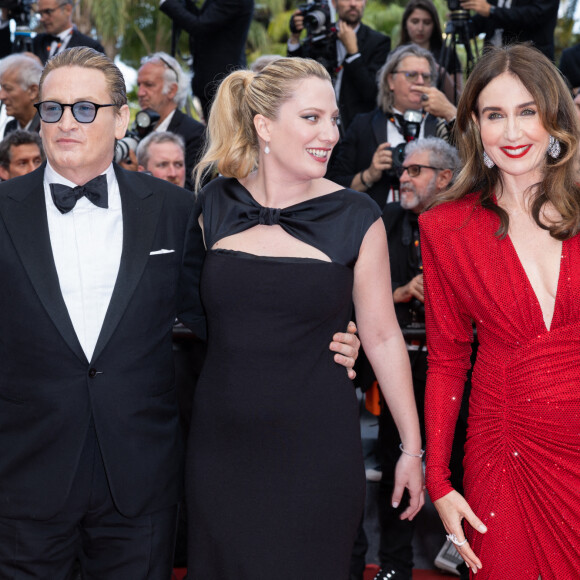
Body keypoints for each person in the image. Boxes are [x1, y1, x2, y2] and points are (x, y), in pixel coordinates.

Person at [0, 45, 361, 579]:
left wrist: (321, 338)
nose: (65, 123)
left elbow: (224, 314)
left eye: (84, 109)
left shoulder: (177, 211)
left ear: (121, 118)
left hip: (141, 480)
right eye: (52, 109)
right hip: (25, 477)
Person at [186, 56, 425, 579]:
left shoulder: (357, 215)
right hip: (221, 447)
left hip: (317, 447)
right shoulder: (213, 205)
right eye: (312, 118)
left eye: (335, 119)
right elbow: (188, 319)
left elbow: (384, 336)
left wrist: (411, 448)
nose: (332, 134)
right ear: (264, 125)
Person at [419, 44, 580, 579]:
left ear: (554, 117)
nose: (512, 132)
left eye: (527, 111)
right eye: (495, 114)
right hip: (502, 450)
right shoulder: (447, 229)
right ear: (474, 126)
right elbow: (446, 356)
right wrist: (438, 480)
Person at [370, 137, 459, 580]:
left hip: (463, 371)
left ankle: (471, 559)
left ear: (445, 177)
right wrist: (402, 293)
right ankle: (393, 565)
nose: (403, 178)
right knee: (396, 463)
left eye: (414, 171)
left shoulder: (470, 222)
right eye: (403, 170)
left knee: (465, 465)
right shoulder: (384, 221)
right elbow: (356, 298)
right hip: (403, 366)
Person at [327, 44, 457, 209]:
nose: (420, 81)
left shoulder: (443, 124)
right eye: (411, 75)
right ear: (390, 81)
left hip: (434, 221)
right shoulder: (363, 125)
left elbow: (471, 170)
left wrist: (452, 113)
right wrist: (368, 175)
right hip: (377, 222)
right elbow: (333, 185)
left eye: (426, 76)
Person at [288, 0, 391, 133]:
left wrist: (353, 53)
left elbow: (372, 93)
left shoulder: (379, 42)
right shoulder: (319, 36)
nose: (353, 4)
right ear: (334, 3)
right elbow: (296, 78)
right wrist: (295, 37)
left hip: (357, 130)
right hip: (318, 127)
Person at [159, 0, 254, 121]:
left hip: (222, 83)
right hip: (211, 82)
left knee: (223, 133)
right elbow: (203, 20)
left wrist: (167, 4)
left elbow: (200, 26)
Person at [137, 52, 205, 190]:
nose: (140, 93)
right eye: (139, 85)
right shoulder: (139, 130)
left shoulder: (196, 134)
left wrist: (134, 176)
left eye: (148, 85)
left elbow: (192, 191)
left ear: (172, 90)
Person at [398, 0, 462, 102]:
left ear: (434, 24)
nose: (420, 28)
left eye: (427, 22)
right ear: (405, 23)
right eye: (415, 21)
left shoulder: (447, 53)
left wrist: (441, 73)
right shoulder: (396, 55)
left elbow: (459, 100)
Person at [460, 0, 559, 61]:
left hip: (530, 61)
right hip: (492, 60)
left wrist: (492, 10)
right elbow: (485, 18)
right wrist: (461, 20)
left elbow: (535, 15)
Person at [32, 0, 105, 63]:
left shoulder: (91, 47)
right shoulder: (34, 43)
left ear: (68, 9)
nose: (42, 19)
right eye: (40, 14)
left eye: (48, 12)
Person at [0, 53, 43, 136]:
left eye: (8, 89)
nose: (1, 96)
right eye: (1, 88)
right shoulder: (10, 128)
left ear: (33, 91)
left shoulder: (50, 129)